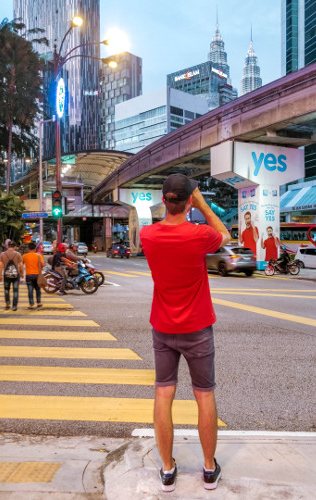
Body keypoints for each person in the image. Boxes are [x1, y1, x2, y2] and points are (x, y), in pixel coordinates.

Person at [140, 173, 230, 493]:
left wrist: (190, 203)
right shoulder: (199, 235)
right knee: (203, 394)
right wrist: (203, 205)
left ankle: (167, 470)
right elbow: (225, 234)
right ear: (188, 201)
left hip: (163, 328)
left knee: (163, 394)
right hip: (198, 328)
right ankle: (208, 469)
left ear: (164, 200)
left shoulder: (147, 235)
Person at [0, 240, 24, 311]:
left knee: (6, 290)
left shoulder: (2, 254)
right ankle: (14, 306)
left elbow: (0, 265)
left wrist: (0, 275)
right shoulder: (18, 254)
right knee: (15, 290)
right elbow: (21, 265)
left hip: (6, 275)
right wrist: (22, 273)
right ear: (15, 247)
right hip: (16, 275)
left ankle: (7, 304)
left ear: (7, 246)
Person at [22, 241, 44, 309]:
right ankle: (39, 302)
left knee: (30, 290)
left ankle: (31, 304)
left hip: (29, 275)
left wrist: (21, 273)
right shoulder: (39, 256)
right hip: (37, 275)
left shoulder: (24, 256)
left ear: (28, 248)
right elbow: (43, 264)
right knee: (38, 289)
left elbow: (21, 265)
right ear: (35, 249)